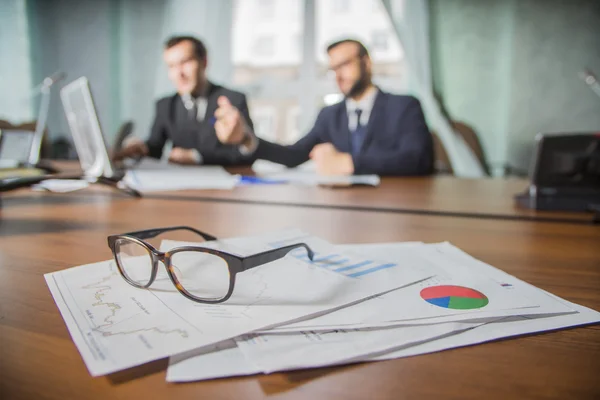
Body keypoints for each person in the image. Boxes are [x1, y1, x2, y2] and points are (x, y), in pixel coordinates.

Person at [213, 39, 434, 175]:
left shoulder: (404, 106)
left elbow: (417, 158)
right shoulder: (330, 115)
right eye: (333, 68)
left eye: (345, 64)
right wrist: (246, 138)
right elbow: (294, 155)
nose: (338, 75)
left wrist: (348, 163)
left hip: (399, 205)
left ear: (366, 63)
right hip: (347, 208)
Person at [114, 36, 256, 165]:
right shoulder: (165, 105)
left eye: (185, 62)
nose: (179, 74)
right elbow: (155, 148)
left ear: (204, 62)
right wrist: (140, 148)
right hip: (179, 186)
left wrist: (197, 157)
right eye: (171, 66)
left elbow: (247, 153)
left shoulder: (233, 100)